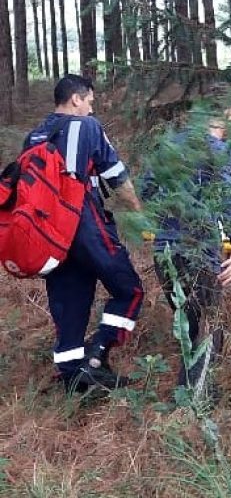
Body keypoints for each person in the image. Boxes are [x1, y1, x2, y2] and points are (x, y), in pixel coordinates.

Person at [23, 74, 145, 392]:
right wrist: (140, 215)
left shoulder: (34, 137)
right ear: (76, 98)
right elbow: (116, 176)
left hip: (48, 236)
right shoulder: (88, 126)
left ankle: (75, 382)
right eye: (90, 100)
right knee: (129, 289)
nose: (91, 108)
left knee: (70, 305)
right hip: (82, 220)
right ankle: (98, 353)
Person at [144, 105, 231, 388]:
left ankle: (188, 390)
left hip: (165, 249)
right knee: (210, 323)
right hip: (199, 250)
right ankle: (195, 402)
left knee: (187, 323)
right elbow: (228, 198)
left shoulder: (169, 145)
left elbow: (147, 191)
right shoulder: (218, 152)